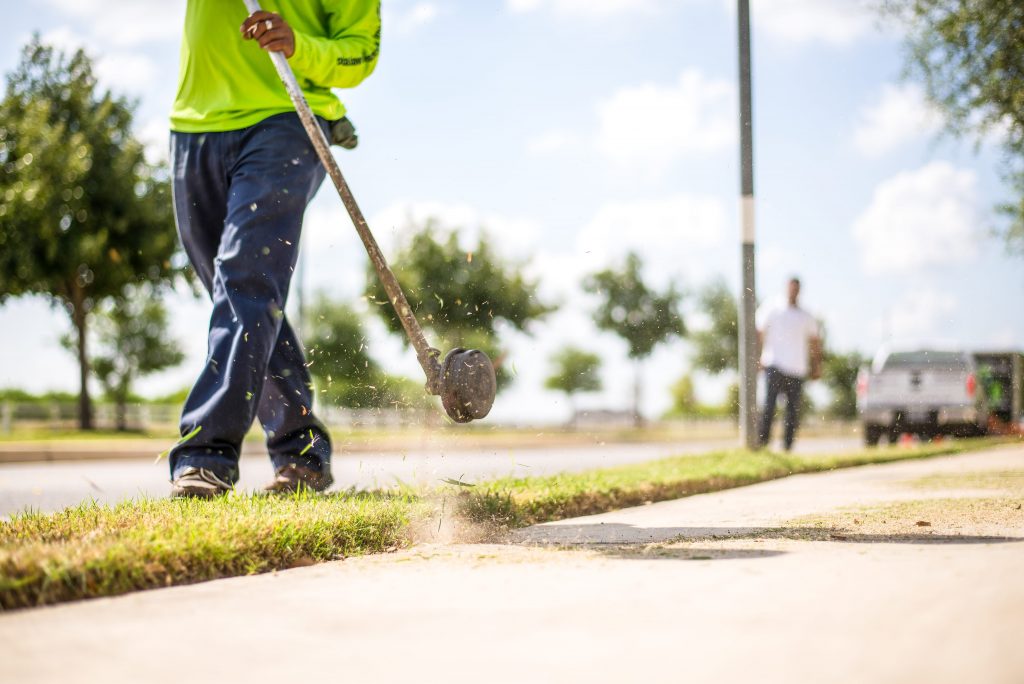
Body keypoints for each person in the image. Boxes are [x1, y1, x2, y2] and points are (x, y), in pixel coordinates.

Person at [167, 1, 381, 498]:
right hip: (194, 123)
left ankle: (206, 455)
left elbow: (360, 55)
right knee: (242, 298)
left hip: (286, 116)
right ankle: (301, 451)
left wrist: (298, 45)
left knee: (245, 279)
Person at [756, 277, 821, 451]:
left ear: (800, 291)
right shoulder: (772, 308)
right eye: (791, 288)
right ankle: (762, 446)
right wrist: (756, 357)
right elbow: (759, 332)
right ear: (786, 288)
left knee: (792, 412)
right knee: (769, 407)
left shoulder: (806, 316)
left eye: (796, 289)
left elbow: (815, 341)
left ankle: (787, 447)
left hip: (797, 368)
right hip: (773, 364)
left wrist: (816, 366)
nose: (793, 291)